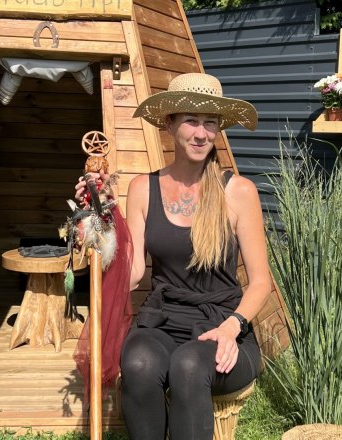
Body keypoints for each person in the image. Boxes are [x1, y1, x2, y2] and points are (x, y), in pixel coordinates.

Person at [75, 73, 273, 440]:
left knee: (188, 366)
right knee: (138, 364)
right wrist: (98, 219)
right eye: (191, 121)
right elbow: (133, 272)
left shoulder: (238, 192)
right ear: (169, 124)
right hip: (163, 320)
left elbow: (261, 282)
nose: (201, 133)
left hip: (223, 323)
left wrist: (233, 327)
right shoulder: (143, 188)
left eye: (210, 123)